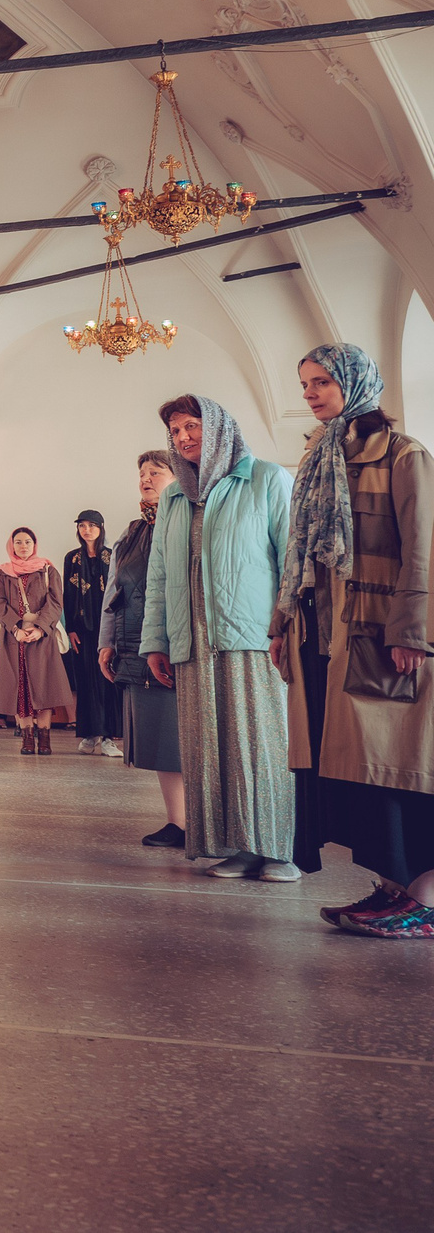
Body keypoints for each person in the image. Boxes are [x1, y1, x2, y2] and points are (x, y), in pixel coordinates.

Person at [273, 345, 434, 936]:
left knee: (399, 767)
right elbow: (299, 556)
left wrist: (411, 631)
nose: (310, 393)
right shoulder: (320, 457)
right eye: (305, 383)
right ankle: (393, 889)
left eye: (322, 381)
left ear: (356, 383)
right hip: (324, 638)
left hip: (383, 637)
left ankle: (424, 900)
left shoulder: (403, 455)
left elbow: (424, 548)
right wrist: (281, 624)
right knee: (357, 774)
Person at [140, 394, 295, 881]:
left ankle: (279, 850)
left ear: (220, 428)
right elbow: (160, 575)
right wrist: (156, 641)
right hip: (193, 641)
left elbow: (292, 563)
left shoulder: (266, 478)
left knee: (261, 745)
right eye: (175, 431)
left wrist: (285, 628)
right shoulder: (174, 498)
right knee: (211, 749)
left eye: (192, 425)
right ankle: (236, 846)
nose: (183, 437)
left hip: (254, 638)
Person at [104, 450, 187, 847]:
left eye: (156, 471)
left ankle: (208, 823)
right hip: (135, 644)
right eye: (142, 473)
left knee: (187, 736)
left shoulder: (189, 518)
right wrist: (106, 641)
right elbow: (113, 590)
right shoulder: (132, 532)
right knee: (161, 738)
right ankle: (178, 822)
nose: (146, 478)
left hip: (181, 643)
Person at [0, 528, 72, 754]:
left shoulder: (48, 570)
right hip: (14, 638)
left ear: (34, 544)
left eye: (27, 541)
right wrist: (15, 628)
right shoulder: (2, 573)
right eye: (18, 542)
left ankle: (44, 738)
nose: (23, 546)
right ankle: (26, 738)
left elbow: (55, 602)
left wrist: (40, 628)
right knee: (20, 689)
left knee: (44, 688)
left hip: (42, 638)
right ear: (12, 545)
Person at [65, 510, 117, 755]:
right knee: (85, 681)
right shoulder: (72, 558)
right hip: (82, 630)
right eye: (82, 526)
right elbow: (67, 595)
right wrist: (70, 629)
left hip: (107, 627)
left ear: (101, 527)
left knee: (107, 680)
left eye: (92, 525)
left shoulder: (112, 555)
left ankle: (108, 737)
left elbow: (118, 591)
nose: (87, 530)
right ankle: (89, 734)